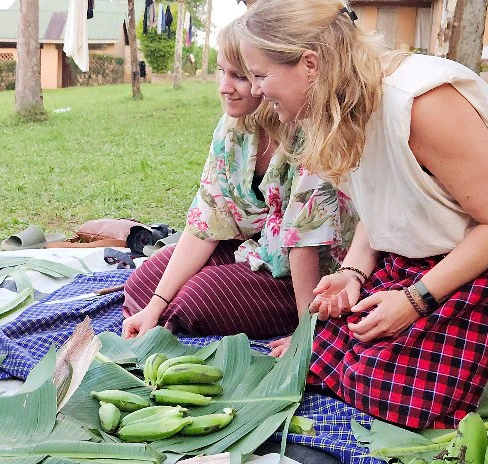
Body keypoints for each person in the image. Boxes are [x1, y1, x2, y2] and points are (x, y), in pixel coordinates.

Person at [239, 0, 488, 428]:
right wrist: (352, 274)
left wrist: (416, 300)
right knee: (321, 358)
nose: (255, 90)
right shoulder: (345, 102)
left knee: (392, 392)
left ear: (309, 64)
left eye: (260, 75)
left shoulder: (419, 103)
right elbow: (385, 200)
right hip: (438, 243)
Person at [122, 21, 356, 352]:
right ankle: (159, 317)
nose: (224, 87)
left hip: (309, 277)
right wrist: (154, 306)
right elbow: (207, 219)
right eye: (221, 72)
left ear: (265, 77)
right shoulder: (233, 130)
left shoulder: (309, 131)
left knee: (193, 302)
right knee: (144, 283)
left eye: (241, 76)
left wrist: (308, 335)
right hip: (256, 251)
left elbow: (304, 241)